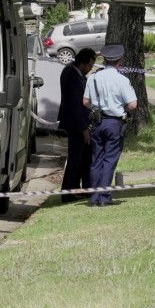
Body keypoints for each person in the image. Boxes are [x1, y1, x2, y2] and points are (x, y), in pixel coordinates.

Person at [83, 44, 138, 207]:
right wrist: (120, 107)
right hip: (114, 122)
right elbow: (133, 104)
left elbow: (85, 101)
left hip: (97, 122)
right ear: (120, 61)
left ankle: (94, 197)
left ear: (104, 60)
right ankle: (105, 196)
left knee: (96, 160)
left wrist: (96, 108)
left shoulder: (93, 78)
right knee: (110, 160)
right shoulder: (122, 79)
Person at [57, 47, 97, 203]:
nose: (90, 69)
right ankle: (67, 193)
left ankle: (83, 187)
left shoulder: (73, 72)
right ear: (83, 64)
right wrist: (83, 128)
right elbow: (75, 105)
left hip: (78, 122)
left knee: (85, 156)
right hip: (75, 124)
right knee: (75, 158)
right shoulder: (73, 76)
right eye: (90, 66)